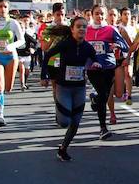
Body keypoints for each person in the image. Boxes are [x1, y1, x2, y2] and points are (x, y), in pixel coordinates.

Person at [41, 17, 102, 161]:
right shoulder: (65, 44)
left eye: (84, 27)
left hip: (79, 88)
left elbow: (95, 59)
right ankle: (59, 111)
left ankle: (63, 149)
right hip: (64, 87)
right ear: (72, 29)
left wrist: (96, 64)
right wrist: (44, 76)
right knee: (64, 122)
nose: (82, 29)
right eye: (79, 26)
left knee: (75, 122)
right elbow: (48, 55)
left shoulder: (87, 47)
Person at [85, 5, 128, 140]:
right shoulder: (86, 30)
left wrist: (117, 45)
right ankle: (103, 128)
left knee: (103, 96)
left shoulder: (111, 30)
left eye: (102, 14)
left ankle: (96, 99)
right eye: (97, 14)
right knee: (103, 94)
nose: (100, 16)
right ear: (92, 15)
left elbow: (125, 45)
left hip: (108, 67)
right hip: (92, 68)